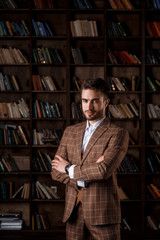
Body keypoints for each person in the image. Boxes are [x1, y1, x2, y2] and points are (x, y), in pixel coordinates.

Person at [51, 78, 129, 240]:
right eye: (85, 101)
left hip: (102, 214)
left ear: (106, 102)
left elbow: (103, 170)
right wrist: (88, 172)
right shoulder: (70, 132)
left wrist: (68, 168)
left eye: (95, 101)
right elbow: (55, 171)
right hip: (73, 213)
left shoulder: (117, 133)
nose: (89, 107)